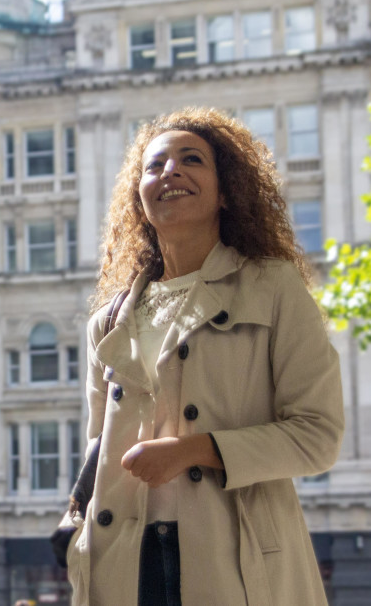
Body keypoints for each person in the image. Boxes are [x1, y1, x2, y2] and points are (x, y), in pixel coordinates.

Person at [63, 107, 344, 605]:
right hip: (121, 566)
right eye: (154, 166)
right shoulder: (108, 320)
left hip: (234, 561)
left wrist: (193, 451)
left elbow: (317, 436)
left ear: (227, 191)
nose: (170, 171)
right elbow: (96, 447)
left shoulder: (273, 286)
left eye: (191, 160)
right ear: (139, 198)